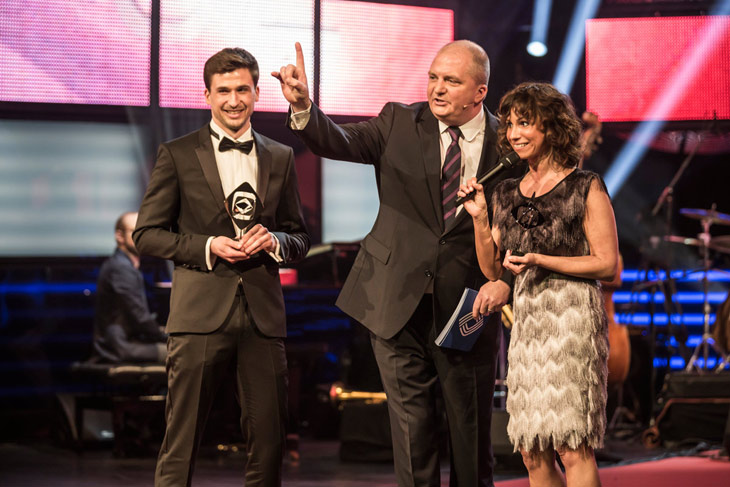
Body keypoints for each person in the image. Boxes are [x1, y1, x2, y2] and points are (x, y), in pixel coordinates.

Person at [273, 40, 520, 486]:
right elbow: (341, 140)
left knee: (470, 432)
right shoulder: (399, 121)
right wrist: (305, 108)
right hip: (394, 301)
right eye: (433, 77)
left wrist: (506, 282)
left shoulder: (509, 145)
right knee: (412, 431)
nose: (437, 89)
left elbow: (523, 227)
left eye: (451, 81)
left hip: (469, 307)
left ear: (479, 92)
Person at [133, 48, 310, 487]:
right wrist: (209, 245)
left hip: (263, 317)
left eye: (243, 90)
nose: (234, 100)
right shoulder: (176, 154)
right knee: (182, 440)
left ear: (256, 93)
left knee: (269, 443)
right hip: (198, 316)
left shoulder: (281, 156)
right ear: (207, 96)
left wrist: (275, 241)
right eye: (224, 91)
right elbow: (147, 234)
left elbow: (299, 236)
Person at [459, 81, 619, 487]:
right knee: (532, 451)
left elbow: (608, 265)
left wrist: (540, 260)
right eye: (510, 124)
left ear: (551, 127)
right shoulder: (507, 192)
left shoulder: (586, 186)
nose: (514, 133)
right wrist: (480, 218)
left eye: (525, 123)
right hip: (528, 327)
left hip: (572, 323)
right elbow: (494, 270)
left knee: (571, 445)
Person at [92, 211, 166, 364]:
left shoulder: (125, 266)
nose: (142, 237)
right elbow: (139, 316)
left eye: (145, 231)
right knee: (185, 353)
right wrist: (166, 335)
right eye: (135, 231)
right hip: (121, 346)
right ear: (120, 236)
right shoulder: (120, 268)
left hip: (128, 342)